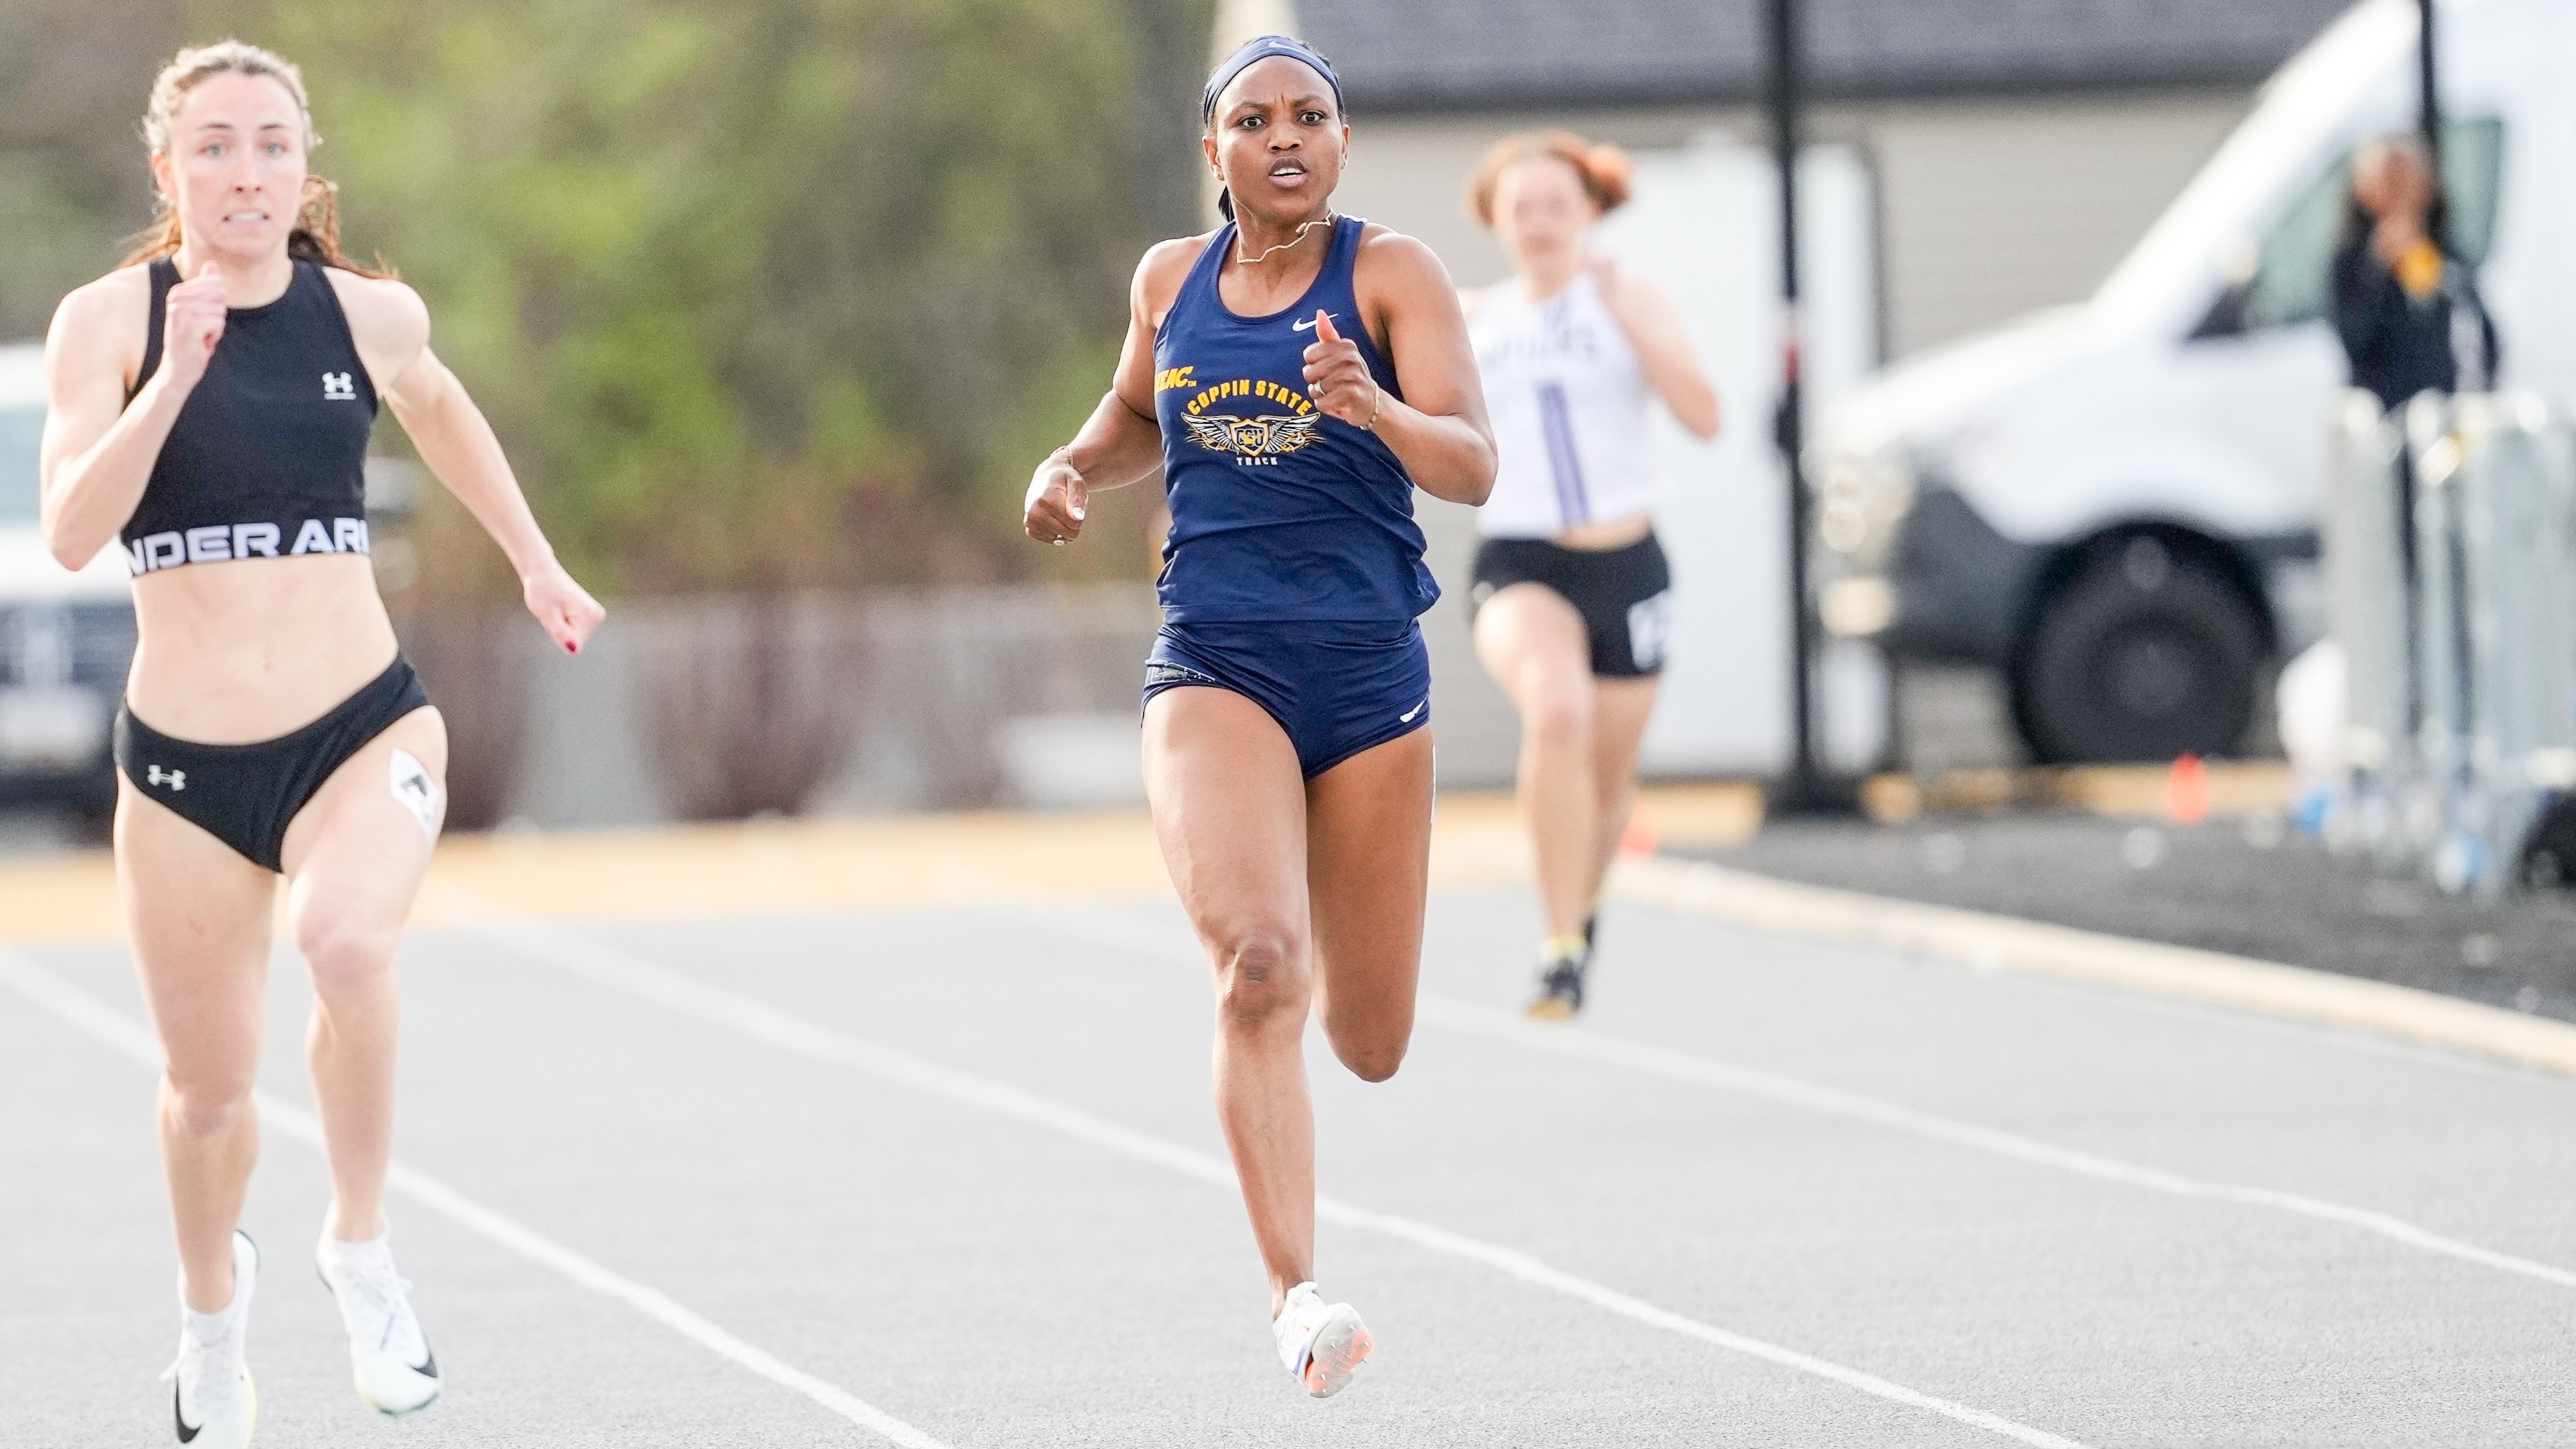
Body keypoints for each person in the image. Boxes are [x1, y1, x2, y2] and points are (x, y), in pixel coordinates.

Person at [38, 41, 603, 1447]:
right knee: (206, 1098)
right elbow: (69, 533)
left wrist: (535, 559)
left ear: (304, 168)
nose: (247, 172)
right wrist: (171, 381)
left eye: (272, 145)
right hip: (185, 774)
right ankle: (210, 1324)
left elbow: (443, 408)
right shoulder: (107, 323)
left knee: (347, 944)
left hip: (360, 727)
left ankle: (358, 1246)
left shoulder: (367, 314)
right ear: (168, 170)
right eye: (216, 146)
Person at [1021, 35, 1493, 1398]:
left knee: (1369, 1042)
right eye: (1254, 119)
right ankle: (1297, 1298)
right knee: (1259, 968)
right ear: (1213, 149)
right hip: (1216, 660)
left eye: (1310, 116)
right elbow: (1132, 417)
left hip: (1368, 678)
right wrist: (1071, 467)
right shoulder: (1168, 281)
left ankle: (1326, 1021)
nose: (1285, 136)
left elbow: (1472, 464)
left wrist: (1373, 408)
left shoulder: (1393, 276)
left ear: (1341, 142)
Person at [1458, 132, 1719, 1020]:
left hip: (1628, 565)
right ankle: (1559, 944)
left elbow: (1705, 416)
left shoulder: (1629, 298)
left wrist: (1630, 322)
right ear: (1495, 218)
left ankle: (1584, 909)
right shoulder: (1473, 317)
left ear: (1589, 213)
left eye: (1556, 206)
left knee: (1607, 783)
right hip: (1521, 560)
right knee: (1557, 709)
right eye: (1520, 207)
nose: (1538, 223)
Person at [2332, 132, 2499, 414]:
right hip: (2386, 416)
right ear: (2364, 189)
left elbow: (2484, 338)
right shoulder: (2351, 260)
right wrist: (2379, 269)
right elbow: (2355, 343)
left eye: (2407, 177)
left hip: (2446, 412)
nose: (2399, 191)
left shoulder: (2447, 254)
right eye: (2389, 179)